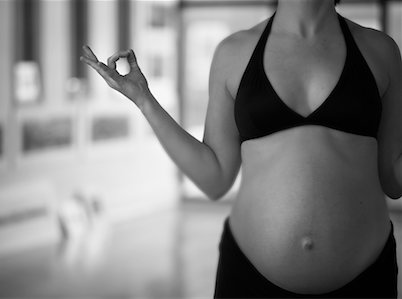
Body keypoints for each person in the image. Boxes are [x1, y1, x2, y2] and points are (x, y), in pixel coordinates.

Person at [80, 0, 402, 297]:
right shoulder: (234, 52)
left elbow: (393, 178)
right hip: (250, 279)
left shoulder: (380, 51)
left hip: (365, 280)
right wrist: (144, 100)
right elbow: (215, 176)